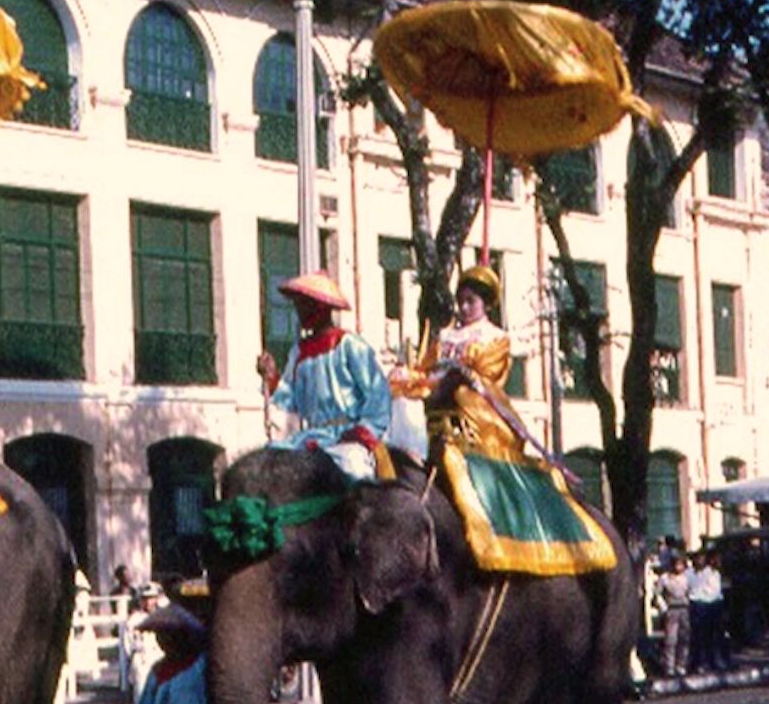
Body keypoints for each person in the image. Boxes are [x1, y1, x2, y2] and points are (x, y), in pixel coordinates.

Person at [388, 266, 615, 576]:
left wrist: (451, 379)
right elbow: (425, 370)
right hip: (432, 407)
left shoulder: (496, 339)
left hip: (473, 412)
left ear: (487, 304)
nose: (465, 307)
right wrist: (409, 376)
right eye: (462, 300)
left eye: (472, 301)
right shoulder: (445, 337)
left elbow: (483, 376)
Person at [256, 271, 391, 482]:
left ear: (320, 307)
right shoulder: (299, 352)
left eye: (304, 304)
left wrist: (363, 431)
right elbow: (289, 400)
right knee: (269, 462)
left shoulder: (349, 346)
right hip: (311, 437)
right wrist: (272, 377)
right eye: (298, 305)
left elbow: (378, 397)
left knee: (355, 475)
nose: (299, 311)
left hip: (347, 439)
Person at [687, 549, 732, 673]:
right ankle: (699, 663)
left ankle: (716, 660)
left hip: (714, 606)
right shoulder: (693, 573)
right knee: (700, 636)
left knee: (716, 635)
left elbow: (716, 591)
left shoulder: (714, 573)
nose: (700, 560)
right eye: (697, 558)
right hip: (699, 606)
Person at [122, 582, 166, 699]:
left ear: (156, 598)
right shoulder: (133, 621)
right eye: (144, 598)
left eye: (151, 598)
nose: (148, 602)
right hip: (142, 659)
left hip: (159, 658)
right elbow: (127, 647)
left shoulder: (163, 618)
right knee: (142, 698)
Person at [653, 553, 690, 677]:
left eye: (681, 564)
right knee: (670, 640)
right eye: (676, 564)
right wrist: (664, 608)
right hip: (671, 609)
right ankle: (669, 667)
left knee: (684, 638)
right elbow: (657, 594)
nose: (679, 567)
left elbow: (691, 591)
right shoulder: (665, 578)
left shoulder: (687, 578)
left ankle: (681, 665)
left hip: (684, 609)